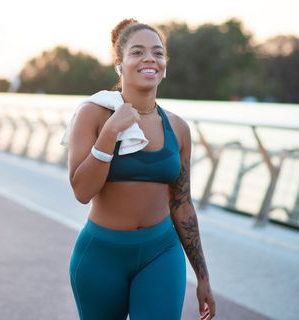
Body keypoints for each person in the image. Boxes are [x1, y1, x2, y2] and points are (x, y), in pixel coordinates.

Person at [66, 18, 216, 319]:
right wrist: (110, 132)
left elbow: (182, 203)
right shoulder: (93, 114)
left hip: (161, 252)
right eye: (137, 52)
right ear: (119, 64)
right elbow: (82, 191)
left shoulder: (178, 128)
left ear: (165, 65)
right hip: (101, 255)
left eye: (158, 53)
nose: (150, 58)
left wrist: (203, 276)